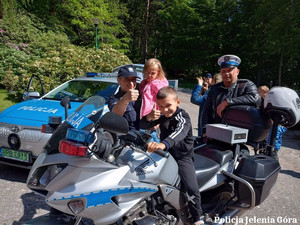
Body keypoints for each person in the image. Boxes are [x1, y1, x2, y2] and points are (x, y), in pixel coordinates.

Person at [140, 86, 205, 225]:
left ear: (178, 102)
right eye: (161, 106)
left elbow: (178, 134)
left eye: (168, 105)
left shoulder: (183, 117)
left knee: (191, 187)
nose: (164, 110)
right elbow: (144, 125)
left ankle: (197, 218)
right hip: (166, 155)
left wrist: (162, 145)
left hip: (182, 157)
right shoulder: (163, 116)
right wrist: (148, 118)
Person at [201, 54, 261, 135]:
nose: (226, 73)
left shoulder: (246, 85)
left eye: (229, 70)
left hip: (239, 134)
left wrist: (227, 102)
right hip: (217, 132)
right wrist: (205, 130)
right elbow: (207, 111)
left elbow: (256, 99)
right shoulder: (214, 88)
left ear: (237, 71)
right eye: (223, 71)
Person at [139, 58, 169, 142]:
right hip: (145, 117)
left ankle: (161, 151)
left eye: (152, 73)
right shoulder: (144, 83)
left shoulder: (158, 84)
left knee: (151, 137)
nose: (149, 75)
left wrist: (159, 120)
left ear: (158, 73)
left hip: (154, 116)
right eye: (147, 72)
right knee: (147, 136)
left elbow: (164, 101)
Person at [108, 65, 141, 131]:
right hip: (127, 137)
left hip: (145, 136)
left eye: (133, 79)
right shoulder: (114, 99)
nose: (131, 83)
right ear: (118, 80)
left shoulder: (142, 96)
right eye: (127, 79)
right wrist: (125, 99)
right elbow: (115, 114)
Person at [258, 85, 287, 159]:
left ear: (265, 92)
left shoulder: (271, 101)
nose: (258, 93)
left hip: (275, 124)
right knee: (265, 141)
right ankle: (264, 154)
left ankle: (274, 156)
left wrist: (273, 120)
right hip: (267, 124)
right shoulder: (262, 101)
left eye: (260, 92)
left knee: (274, 140)